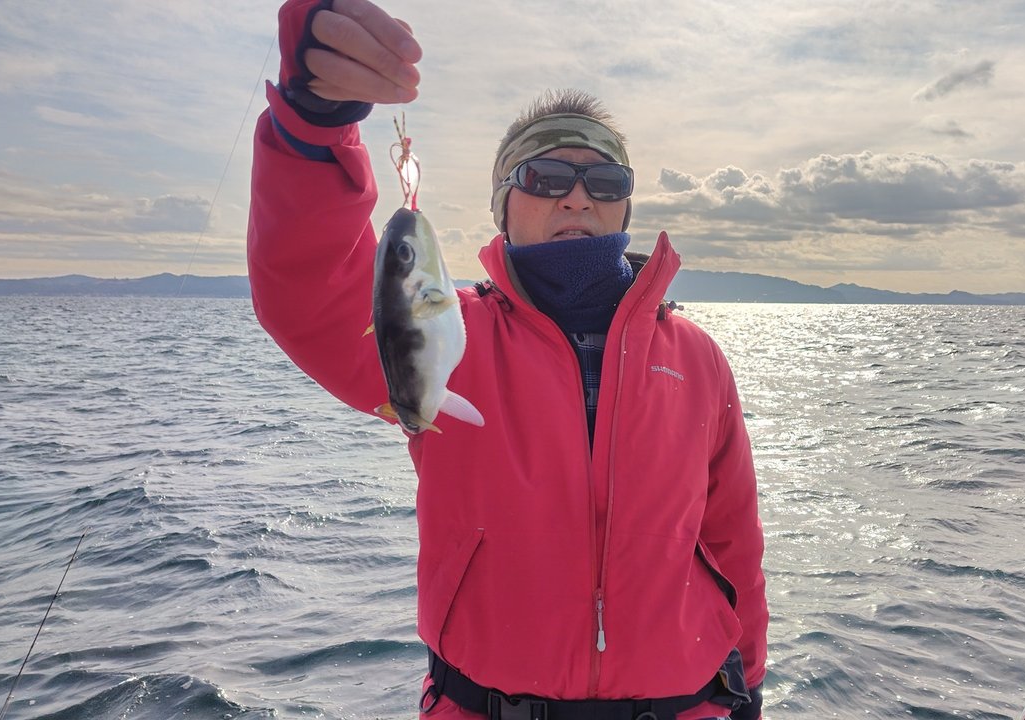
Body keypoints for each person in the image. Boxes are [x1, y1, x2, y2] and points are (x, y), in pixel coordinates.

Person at [248, 1, 769, 718]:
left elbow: (732, 537)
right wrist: (312, 126)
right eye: (546, 177)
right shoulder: (448, 334)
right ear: (503, 204)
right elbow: (310, 293)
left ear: (625, 207)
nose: (577, 197)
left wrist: (751, 684)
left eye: (606, 182)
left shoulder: (698, 356)